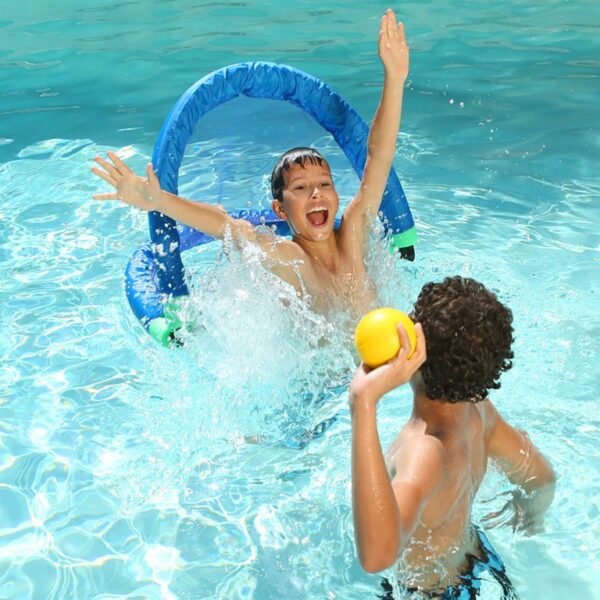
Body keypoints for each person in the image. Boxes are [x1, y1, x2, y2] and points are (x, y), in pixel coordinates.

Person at [91, 9, 409, 319]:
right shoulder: (290, 259)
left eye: (324, 183)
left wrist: (394, 79)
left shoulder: (354, 234)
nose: (316, 193)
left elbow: (378, 158)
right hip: (335, 375)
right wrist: (157, 200)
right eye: (300, 187)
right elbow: (226, 227)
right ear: (280, 211)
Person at [349, 276, 556, 598]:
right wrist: (531, 518)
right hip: (478, 557)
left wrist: (362, 405)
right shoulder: (479, 412)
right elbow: (541, 478)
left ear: (416, 348)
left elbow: (377, 556)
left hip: (429, 591)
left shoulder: (424, 451)